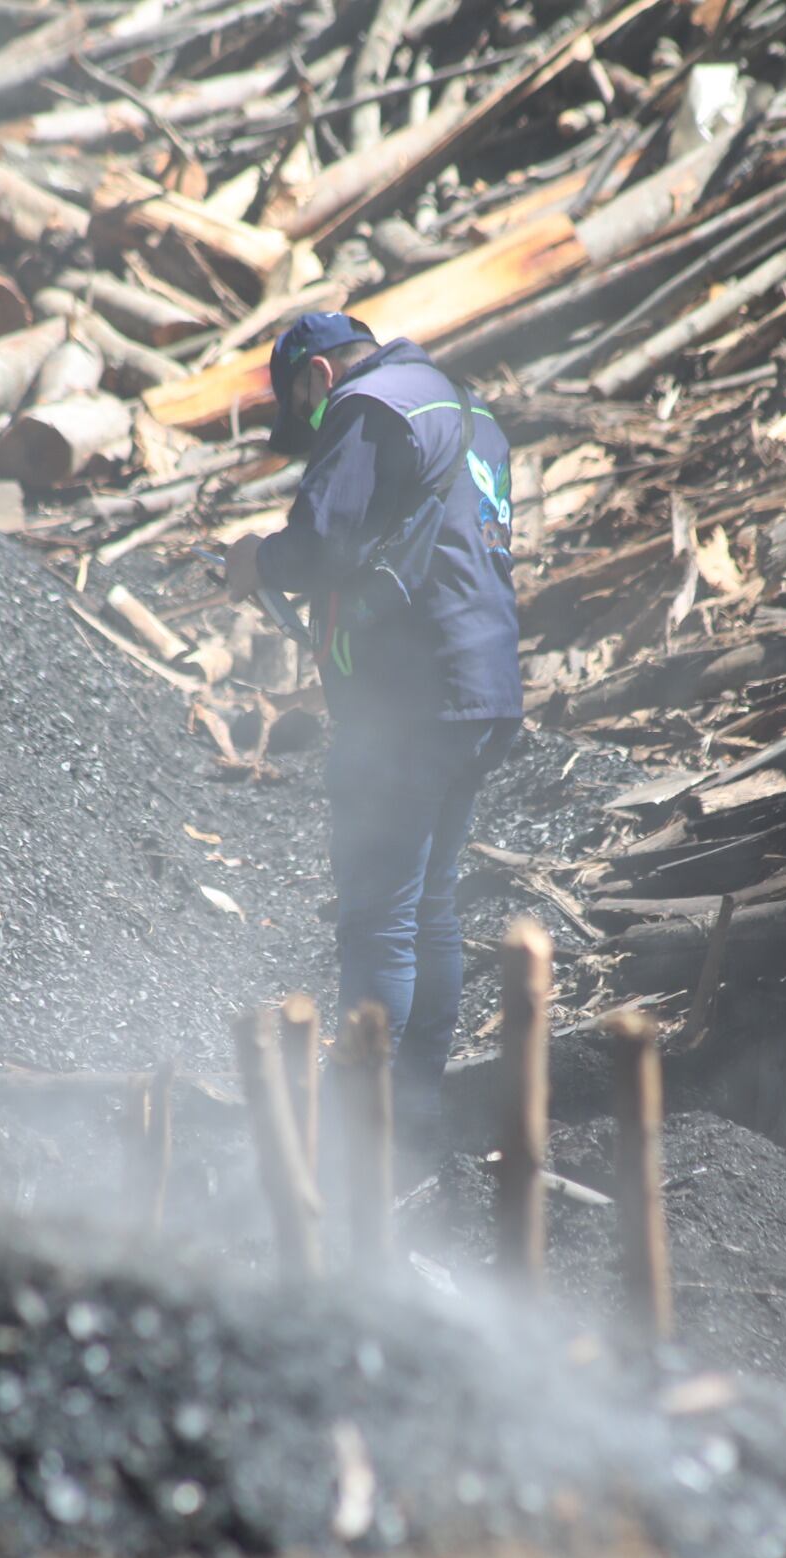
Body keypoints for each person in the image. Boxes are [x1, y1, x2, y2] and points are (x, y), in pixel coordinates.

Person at [224, 313, 522, 1138]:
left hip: (410, 701)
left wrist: (257, 558)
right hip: (484, 688)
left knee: (380, 917)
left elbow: (320, 543)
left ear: (317, 377)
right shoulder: (468, 410)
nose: (312, 425)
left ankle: (360, 1128)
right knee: (432, 909)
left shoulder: (368, 407)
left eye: (302, 406)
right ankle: (417, 1112)